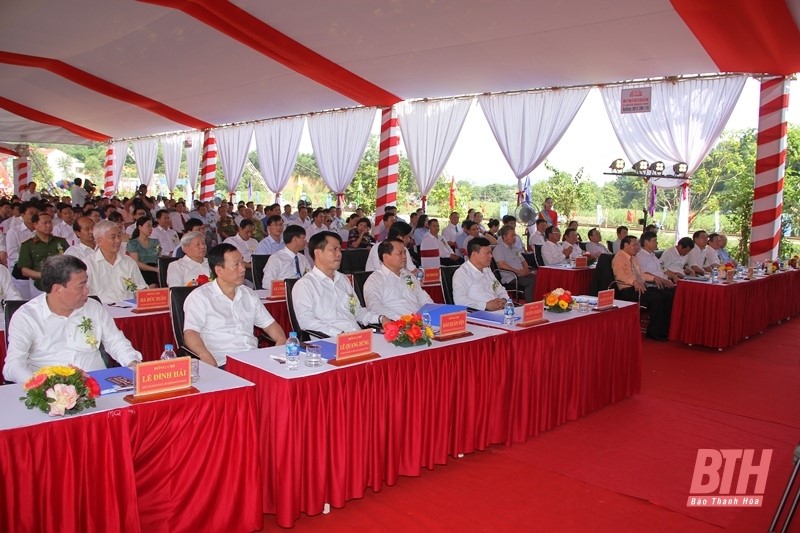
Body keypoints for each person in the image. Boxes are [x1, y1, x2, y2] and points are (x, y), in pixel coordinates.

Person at [3, 255, 142, 384]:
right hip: (53, 392)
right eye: (81, 286)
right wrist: (40, 385)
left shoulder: (93, 307)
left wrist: (132, 363)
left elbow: (115, 341)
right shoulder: (27, 317)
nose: (87, 290)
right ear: (57, 289)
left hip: (100, 384)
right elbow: (13, 366)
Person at [183, 243, 286, 368]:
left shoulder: (249, 294)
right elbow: (191, 333)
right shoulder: (200, 297)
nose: (243, 269)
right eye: (236, 265)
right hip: (223, 361)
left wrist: (281, 342)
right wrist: (205, 355)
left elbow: (270, 325)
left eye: (242, 263)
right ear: (219, 270)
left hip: (254, 358)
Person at [293, 231, 389, 337]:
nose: (339, 254)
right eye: (334, 249)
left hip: (357, 337)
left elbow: (357, 312)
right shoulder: (305, 285)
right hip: (329, 342)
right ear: (318, 253)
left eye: (339, 249)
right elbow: (306, 321)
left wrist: (380, 318)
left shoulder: (343, 279)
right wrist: (339, 334)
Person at [612, 236, 674, 341]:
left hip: (640, 287)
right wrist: (634, 281)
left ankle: (663, 329)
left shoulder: (634, 257)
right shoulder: (619, 258)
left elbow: (640, 275)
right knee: (657, 298)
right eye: (635, 245)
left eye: (638, 244)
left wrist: (654, 278)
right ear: (626, 245)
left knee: (667, 295)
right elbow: (620, 276)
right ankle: (653, 332)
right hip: (628, 289)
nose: (637, 247)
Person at [363, 238, 434, 319]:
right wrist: (400, 319)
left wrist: (431, 312)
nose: (404, 256)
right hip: (399, 324)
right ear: (386, 257)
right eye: (400, 253)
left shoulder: (407, 275)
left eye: (405, 253)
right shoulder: (375, 280)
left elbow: (423, 297)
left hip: (421, 321)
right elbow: (374, 307)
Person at [86, 220, 147, 302]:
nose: (118, 240)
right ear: (99, 241)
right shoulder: (88, 264)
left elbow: (140, 288)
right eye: (113, 237)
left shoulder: (128, 262)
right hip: (102, 311)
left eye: (119, 236)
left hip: (129, 309)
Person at [17, 213, 70, 293]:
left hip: (63, 283)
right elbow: (25, 270)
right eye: (45, 223)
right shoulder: (28, 245)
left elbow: (70, 261)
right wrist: (44, 275)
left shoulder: (61, 241)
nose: (49, 225)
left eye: (50, 222)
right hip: (40, 286)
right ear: (35, 225)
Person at [453, 237, 509, 310]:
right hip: (479, 314)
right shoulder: (462, 273)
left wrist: (503, 300)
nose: (491, 256)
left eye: (491, 253)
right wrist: (485, 305)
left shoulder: (487, 270)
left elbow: (500, 290)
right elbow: (459, 301)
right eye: (487, 253)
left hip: (499, 310)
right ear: (474, 255)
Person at [262, 224, 309, 294]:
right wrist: (286, 288)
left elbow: (309, 275)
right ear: (295, 239)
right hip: (284, 296)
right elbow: (266, 283)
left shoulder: (302, 258)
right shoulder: (276, 258)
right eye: (303, 237)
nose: (306, 241)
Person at [493, 225, 535, 302]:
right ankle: (530, 304)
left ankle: (540, 302)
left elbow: (523, 261)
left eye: (515, 235)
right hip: (511, 277)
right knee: (530, 282)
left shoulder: (515, 248)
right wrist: (518, 272)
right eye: (512, 235)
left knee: (537, 277)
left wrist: (526, 269)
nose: (514, 238)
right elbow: (501, 265)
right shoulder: (499, 249)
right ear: (504, 237)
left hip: (520, 274)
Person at [127, 216, 161, 286]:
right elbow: (136, 262)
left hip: (156, 268)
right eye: (148, 226)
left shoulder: (155, 242)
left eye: (152, 226)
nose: (150, 229)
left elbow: (158, 257)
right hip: (141, 269)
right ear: (140, 227)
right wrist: (155, 269)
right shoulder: (133, 243)